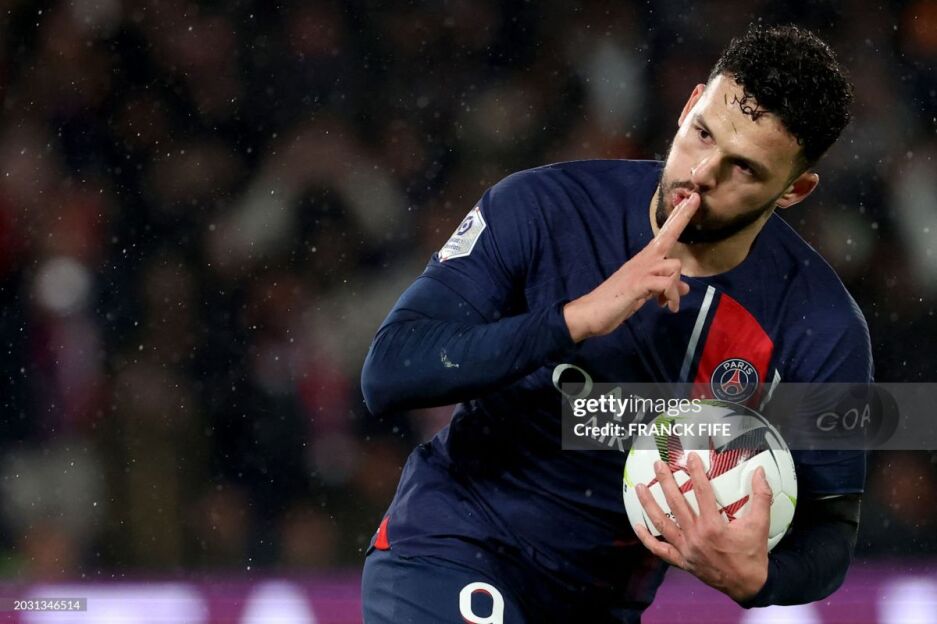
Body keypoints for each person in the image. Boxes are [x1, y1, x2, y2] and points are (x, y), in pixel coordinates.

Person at [360, 24, 870, 623]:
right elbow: (390, 371)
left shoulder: (820, 327)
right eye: (702, 132)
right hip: (451, 546)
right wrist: (575, 318)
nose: (702, 173)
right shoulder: (543, 208)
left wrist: (761, 579)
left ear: (794, 190)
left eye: (744, 169)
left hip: (600, 606)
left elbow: (831, 526)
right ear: (689, 104)